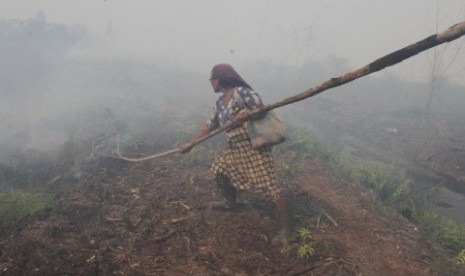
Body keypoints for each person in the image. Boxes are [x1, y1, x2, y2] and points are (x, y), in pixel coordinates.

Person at [179, 63, 290, 243]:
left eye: (212, 79)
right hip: (235, 146)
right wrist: (192, 143)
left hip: (253, 145)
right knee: (219, 170)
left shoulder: (242, 92)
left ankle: (288, 232)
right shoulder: (219, 103)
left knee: (270, 186)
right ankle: (230, 202)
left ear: (219, 79)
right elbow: (210, 124)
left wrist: (246, 114)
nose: (211, 83)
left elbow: (259, 107)